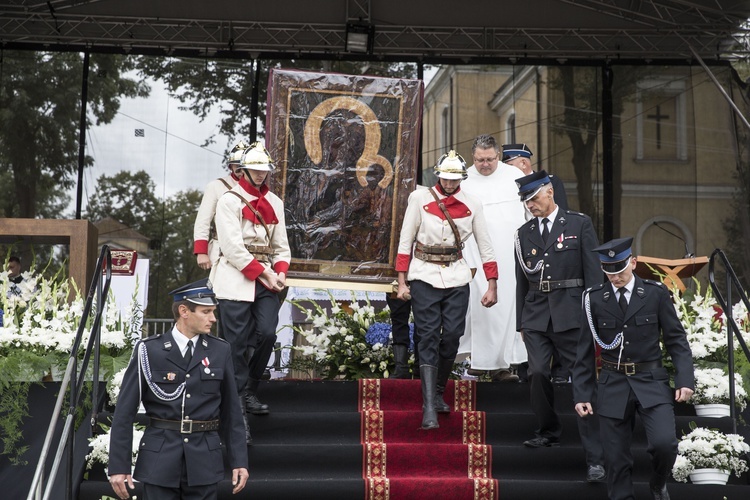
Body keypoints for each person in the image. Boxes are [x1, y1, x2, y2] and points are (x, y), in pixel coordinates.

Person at [573, 237, 694, 500]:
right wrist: (582, 393)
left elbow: (676, 340)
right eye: (609, 271)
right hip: (613, 382)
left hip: (650, 379)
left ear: (633, 262)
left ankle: (658, 482)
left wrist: (685, 379)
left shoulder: (655, 293)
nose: (615, 277)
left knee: (665, 444)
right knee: (616, 460)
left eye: (619, 270)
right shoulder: (593, 299)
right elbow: (582, 350)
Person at [108, 278, 249, 500]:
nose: (213, 318)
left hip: (204, 458)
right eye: (206, 311)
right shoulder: (149, 350)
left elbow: (232, 411)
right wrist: (118, 465)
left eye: (213, 311)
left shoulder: (220, 351)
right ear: (184, 310)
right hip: (160, 459)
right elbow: (124, 413)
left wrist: (239, 460)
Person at [513, 170, 605, 482]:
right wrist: (520, 323)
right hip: (537, 315)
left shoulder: (579, 224)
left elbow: (594, 275)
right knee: (537, 372)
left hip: (572, 313)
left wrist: (597, 316)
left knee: (582, 382)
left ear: (549, 192)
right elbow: (521, 281)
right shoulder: (523, 233)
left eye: (534, 198)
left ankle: (595, 458)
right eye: (525, 201)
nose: (530, 205)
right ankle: (548, 429)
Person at [396, 150, 498, 429]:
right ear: (438, 175)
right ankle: (429, 404)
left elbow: (485, 245)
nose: (450, 184)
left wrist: (492, 283)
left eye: (454, 179)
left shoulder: (473, 203)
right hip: (423, 274)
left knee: (453, 334)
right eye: (445, 178)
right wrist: (402, 281)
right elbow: (406, 241)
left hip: (456, 275)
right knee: (427, 336)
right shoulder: (419, 198)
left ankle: (438, 392)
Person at [211, 142, 291, 424]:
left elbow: (281, 247)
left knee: (268, 333)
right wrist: (266, 273)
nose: (260, 175)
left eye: (264, 170)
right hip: (235, 278)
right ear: (243, 170)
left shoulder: (276, 203)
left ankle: (249, 391)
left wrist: (280, 272)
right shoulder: (228, 201)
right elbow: (232, 249)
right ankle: (238, 414)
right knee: (236, 344)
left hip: (266, 278)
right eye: (255, 170)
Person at [458, 135, 527, 382]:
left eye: (489, 159)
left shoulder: (515, 177)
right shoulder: (463, 179)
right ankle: (476, 363)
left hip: (509, 255)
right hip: (474, 253)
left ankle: (504, 364)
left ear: (498, 156)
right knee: (478, 306)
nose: (484, 164)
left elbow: (530, 212)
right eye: (479, 160)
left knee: (507, 305)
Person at [503, 143, 569, 383]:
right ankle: (523, 371)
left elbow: (563, 221)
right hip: (527, 254)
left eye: (508, 165)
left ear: (522, 163)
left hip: (555, 260)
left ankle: (561, 373)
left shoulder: (550, 183)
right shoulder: (505, 186)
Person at [193, 140, 250, 271]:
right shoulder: (216, 186)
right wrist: (201, 251)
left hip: (249, 250)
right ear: (231, 167)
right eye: (238, 167)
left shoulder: (259, 190)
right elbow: (203, 220)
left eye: (245, 168)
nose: (241, 172)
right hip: (222, 249)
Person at [502, 143, 569, 212]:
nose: (507, 170)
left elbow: (561, 212)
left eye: (510, 166)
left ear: (523, 163)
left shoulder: (550, 181)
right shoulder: (505, 186)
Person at [386, 294, 417, 379]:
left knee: (424, 320)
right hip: (397, 282)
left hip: (426, 282)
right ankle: (401, 367)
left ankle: (421, 367)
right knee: (398, 316)